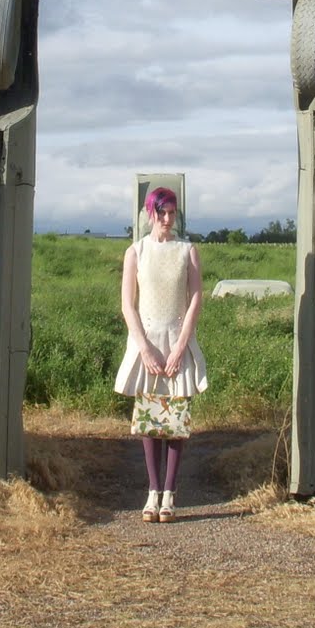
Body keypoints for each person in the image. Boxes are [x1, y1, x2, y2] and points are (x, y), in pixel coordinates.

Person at [113, 187, 207, 523]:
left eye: (172, 213)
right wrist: (144, 348)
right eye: (162, 213)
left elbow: (195, 299)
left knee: (176, 419)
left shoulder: (188, 251)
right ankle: (152, 492)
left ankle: (170, 493)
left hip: (177, 341)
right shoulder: (136, 252)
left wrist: (181, 347)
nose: (168, 220)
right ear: (150, 213)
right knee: (150, 421)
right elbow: (128, 304)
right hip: (147, 343)